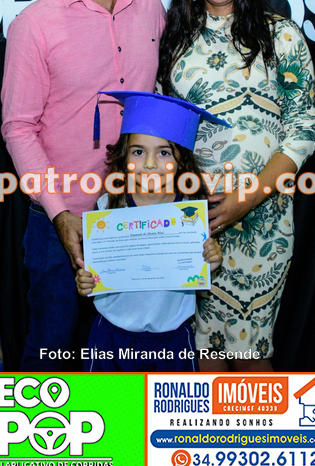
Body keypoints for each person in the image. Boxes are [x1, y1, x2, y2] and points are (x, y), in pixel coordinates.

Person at [1, 0, 166, 371]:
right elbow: (18, 128)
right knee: (50, 352)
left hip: (133, 215)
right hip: (61, 219)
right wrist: (59, 214)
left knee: (130, 351)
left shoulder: (151, 6)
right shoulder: (35, 24)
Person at [157, 0, 315, 372]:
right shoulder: (176, 42)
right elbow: (164, 135)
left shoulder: (281, 35)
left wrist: (248, 198)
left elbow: (304, 128)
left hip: (263, 225)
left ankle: (259, 423)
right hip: (197, 223)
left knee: (251, 352)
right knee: (205, 349)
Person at [75, 91, 226, 371]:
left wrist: (211, 260)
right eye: (138, 151)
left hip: (173, 339)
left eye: (164, 152)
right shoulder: (106, 208)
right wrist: (86, 281)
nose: (149, 164)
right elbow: (94, 274)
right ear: (124, 156)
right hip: (111, 337)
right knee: (107, 401)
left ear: (181, 160)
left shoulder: (192, 213)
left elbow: (196, 269)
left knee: (170, 403)